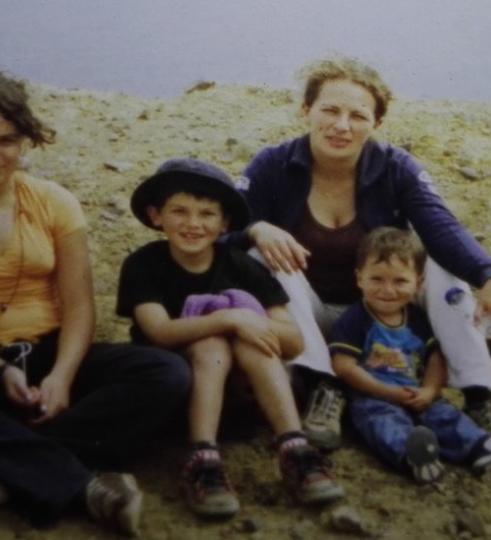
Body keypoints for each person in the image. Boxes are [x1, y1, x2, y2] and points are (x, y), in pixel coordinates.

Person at [0, 61, 190, 536]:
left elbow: (77, 306)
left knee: (167, 373)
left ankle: (8, 460)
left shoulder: (55, 202)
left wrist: (63, 376)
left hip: (50, 349)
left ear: (24, 141)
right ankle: (87, 488)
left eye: (7, 140)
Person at [235, 56, 491, 449]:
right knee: (264, 256)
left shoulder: (395, 167)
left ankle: (482, 393)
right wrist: (255, 226)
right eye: (330, 110)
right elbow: (222, 225)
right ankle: (325, 387)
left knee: (440, 268)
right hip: (309, 316)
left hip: (382, 311)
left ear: (377, 124)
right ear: (306, 110)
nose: (341, 126)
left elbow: (441, 227)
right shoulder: (274, 164)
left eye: (358, 116)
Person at [116, 158, 344, 518]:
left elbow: (293, 341)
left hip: (245, 398)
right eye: (180, 211)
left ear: (224, 224)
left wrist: (250, 323)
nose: (193, 224)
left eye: (207, 214)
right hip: (177, 395)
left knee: (255, 338)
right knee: (212, 342)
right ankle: (202, 457)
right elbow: (158, 331)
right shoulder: (144, 265)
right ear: (156, 215)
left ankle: (294, 447)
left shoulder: (241, 265)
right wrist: (229, 317)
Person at [330, 227, 491, 482]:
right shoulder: (356, 320)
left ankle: (482, 449)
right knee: (384, 425)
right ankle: (413, 456)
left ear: (419, 282)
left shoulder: (417, 319)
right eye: (377, 279)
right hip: (374, 397)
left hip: (416, 392)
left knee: (445, 416)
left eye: (400, 281)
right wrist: (386, 392)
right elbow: (344, 366)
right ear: (359, 278)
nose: (388, 290)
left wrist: (430, 390)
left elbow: (436, 357)